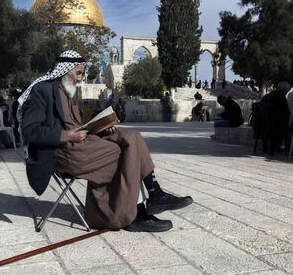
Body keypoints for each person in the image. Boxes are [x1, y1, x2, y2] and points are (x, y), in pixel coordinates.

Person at [19, 50, 193, 232]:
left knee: (132, 136)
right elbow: (30, 130)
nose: (81, 79)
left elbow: (78, 127)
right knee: (124, 154)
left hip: (82, 142)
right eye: (78, 73)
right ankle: (136, 214)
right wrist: (66, 135)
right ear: (64, 71)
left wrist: (101, 127)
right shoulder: (43, 90)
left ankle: (155, 193)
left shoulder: (67, 91)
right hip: (64, 151)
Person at [259, 82, 291, 155]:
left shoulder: (267, 96)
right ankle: (281, 146)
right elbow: (286, 112)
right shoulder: (281, 98)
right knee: (286, 124)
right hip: (275, 124)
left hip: (263, 123)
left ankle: (265, 148)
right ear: (285, 90)